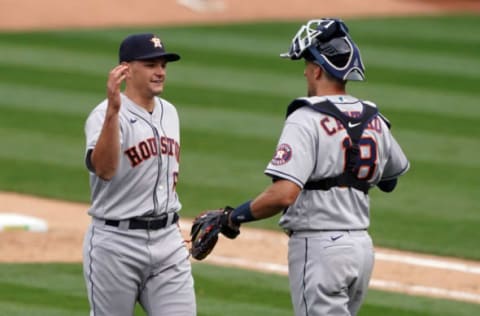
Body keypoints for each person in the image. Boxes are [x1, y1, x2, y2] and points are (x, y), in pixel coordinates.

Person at [213, 18, 410, 316]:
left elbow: (284, 194)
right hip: (361, 249)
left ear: (317, 69)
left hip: (320, 249)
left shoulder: (305, 118)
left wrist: (234, 216)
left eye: (306, 64)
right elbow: (391, 179)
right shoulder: (373, 118)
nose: (305, 71)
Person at [83, 33, 195, 316]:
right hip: (116, 244)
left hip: (168, 241)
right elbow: (105, 170)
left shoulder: (170, 112)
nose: (159, 72)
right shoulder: (102, 115)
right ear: (126, 69)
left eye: (163, 65)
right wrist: (113, 112)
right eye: (150, 65)